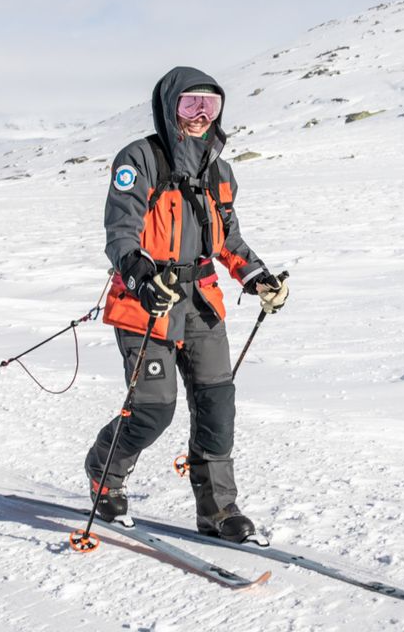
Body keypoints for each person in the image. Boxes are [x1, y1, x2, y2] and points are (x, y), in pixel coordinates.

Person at [85, 66, 289, 543]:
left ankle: (218, 510)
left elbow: (228, 241)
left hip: (201, 304)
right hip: (147, 304)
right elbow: (121, 231)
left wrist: (258, 277)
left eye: (209, 106)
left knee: (217, 407)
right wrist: (140, 273)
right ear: (169, 106)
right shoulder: (139, 159)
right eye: (189, 105)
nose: (199, 116)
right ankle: (105, 473)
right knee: (154, 411)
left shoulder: (220, 172)